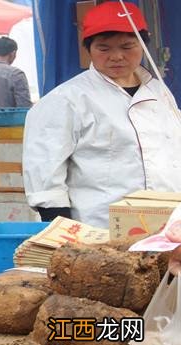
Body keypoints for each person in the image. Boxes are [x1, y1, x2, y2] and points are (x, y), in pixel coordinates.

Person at [22, 1, 181, 228]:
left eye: (127, 46)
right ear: (88, 49)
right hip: (100, 227)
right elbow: (44, 169)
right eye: (104, 48)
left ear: (144, 44)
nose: (116, 56)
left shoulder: (159, 91)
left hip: (168, 226)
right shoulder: (66, 99)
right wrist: (63, 229)